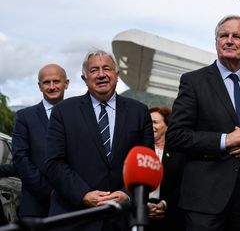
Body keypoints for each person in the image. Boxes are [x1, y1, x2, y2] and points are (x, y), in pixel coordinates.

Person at [166, 15, 240, 231]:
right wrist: (225, 140)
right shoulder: (193, 82)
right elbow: (176, 136)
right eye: (223, 36)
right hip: (205, 200)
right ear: (216, 42)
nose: (229, 40)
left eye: (236, 36)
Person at [44, 50, 154, 231]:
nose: (101, 74)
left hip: (122, 218)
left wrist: (127, 195)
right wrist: (83, 194)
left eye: (107, 69)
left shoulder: (139, 112)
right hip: (74, 217)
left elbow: (147, 163)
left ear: (117, 75)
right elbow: (54, 163)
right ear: (84, 78)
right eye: (94, 70)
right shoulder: (63, 112)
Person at [12, 64, 69, 218]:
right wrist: (49, 192)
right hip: (35, 206)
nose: (51, 87)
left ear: (66, 84)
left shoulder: (79, 115)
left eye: (56, 81)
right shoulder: (25, 117)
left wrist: (73, 191)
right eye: (46, 82)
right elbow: (20, 158)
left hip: (74, 205)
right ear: (39, 86)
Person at [147, 106, 185, 231]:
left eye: (155, 122)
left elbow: (183, 185)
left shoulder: (180, 153)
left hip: (169, 217)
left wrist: (164, 204)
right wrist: (144, 205)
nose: (150, 125)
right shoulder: (139, 149)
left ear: (167, 126)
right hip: (138, 214)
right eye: (148, 121)